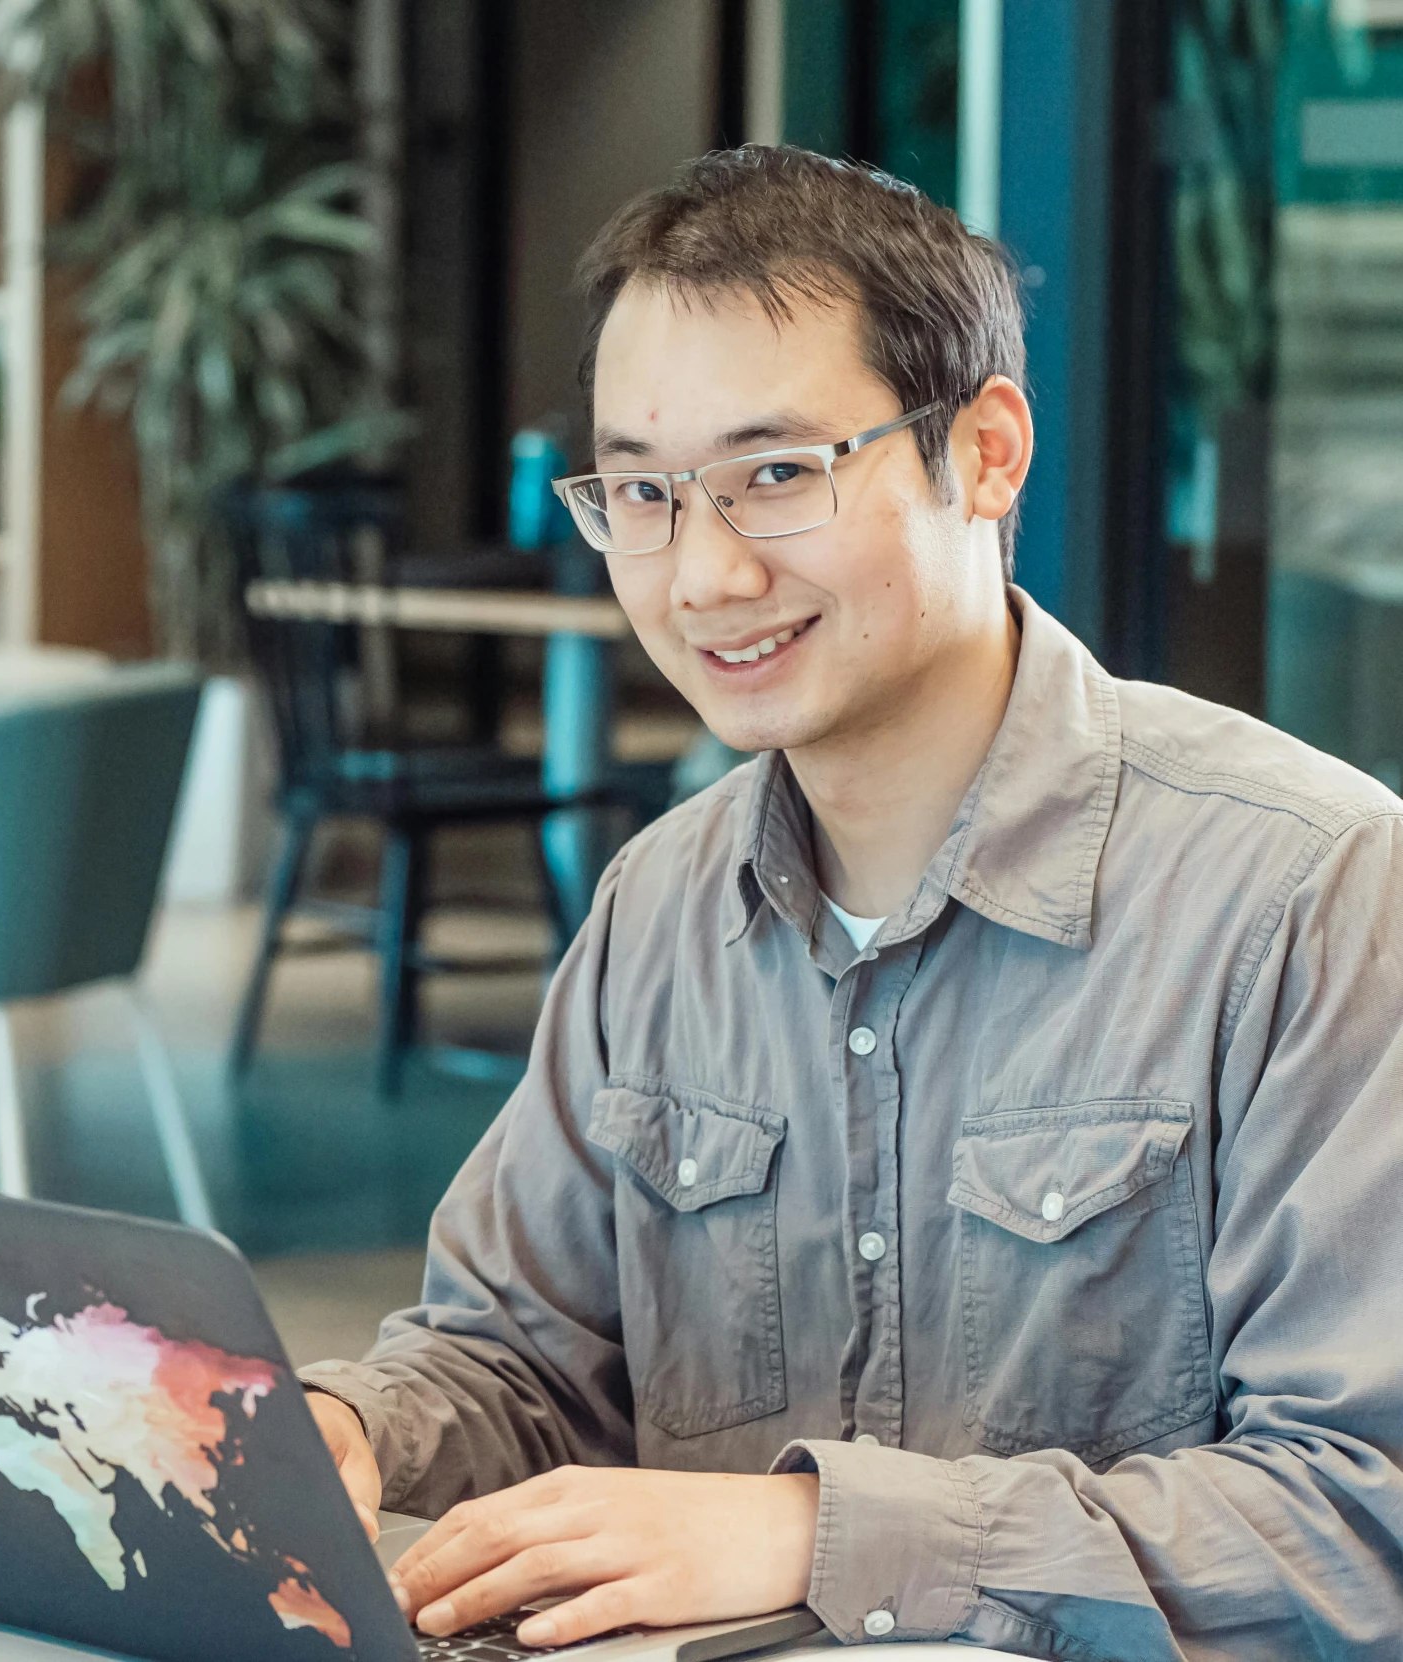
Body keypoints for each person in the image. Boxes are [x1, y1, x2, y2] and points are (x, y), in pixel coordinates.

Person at [299, 146, 1403, 1660]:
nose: (702, 573)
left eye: (777, 473)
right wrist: (337, 1430)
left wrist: (822, 1533)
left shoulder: (1310, 887)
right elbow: (516, 1357)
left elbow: (1362, 1518)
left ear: (989, 453)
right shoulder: (662, 903)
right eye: (641, 490)